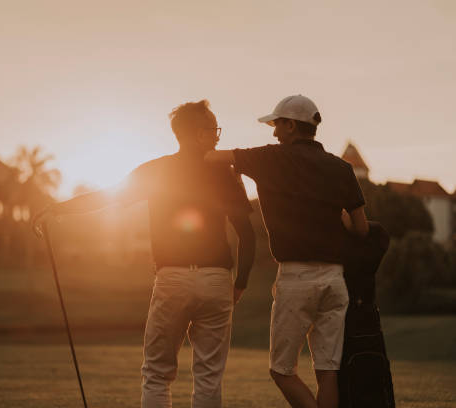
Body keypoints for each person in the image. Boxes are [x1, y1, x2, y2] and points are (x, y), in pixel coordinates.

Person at [33, 100, 256, 408]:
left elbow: (107, 196)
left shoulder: (157, 170)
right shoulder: (223, 172)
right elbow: (247, 233)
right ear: (196, 133)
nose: (218, 137)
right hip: (217, 279)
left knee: (157, 372)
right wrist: (240, 282)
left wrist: (58, 209)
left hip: (173, 278)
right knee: (209, 376)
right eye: (212, 130)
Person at [205, 95, 369, 408]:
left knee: (281, 370)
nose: (274, 133)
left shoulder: (270, 158)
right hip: (336, 280)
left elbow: (212, 158)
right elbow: (361, 229)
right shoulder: (341, 168)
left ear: (291, 125)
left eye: (277, 125)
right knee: (328, 371)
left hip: (297, 278)